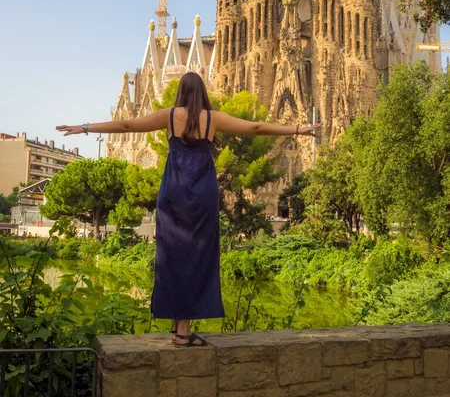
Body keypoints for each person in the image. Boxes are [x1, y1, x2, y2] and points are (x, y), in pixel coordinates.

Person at [56, 72, 320, 347]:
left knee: (170, 258)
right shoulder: (212, 118)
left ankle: (177, 328)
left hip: (172, 193)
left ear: (180, 92)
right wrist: (299, 130)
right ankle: (183, 331)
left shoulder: (168, 116)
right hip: (202, 195)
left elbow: (125, 125)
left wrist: (84, 127)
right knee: (197, 258)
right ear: (202, 92)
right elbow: (255, 128)